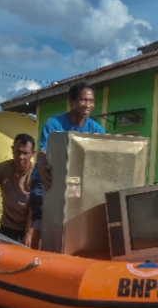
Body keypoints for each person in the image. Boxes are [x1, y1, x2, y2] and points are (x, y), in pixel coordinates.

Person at [29, 81, 105, 248]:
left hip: (74, 180)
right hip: (47, 176)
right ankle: (32, 256)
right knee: (40, 219)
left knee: (71, 220)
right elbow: (43, 151)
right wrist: (42, 169)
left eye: (91, 101)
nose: (88, 105)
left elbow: (99, 158)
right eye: (83, 100)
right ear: (71, 101)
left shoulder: (96, 129)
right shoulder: (54, 124)